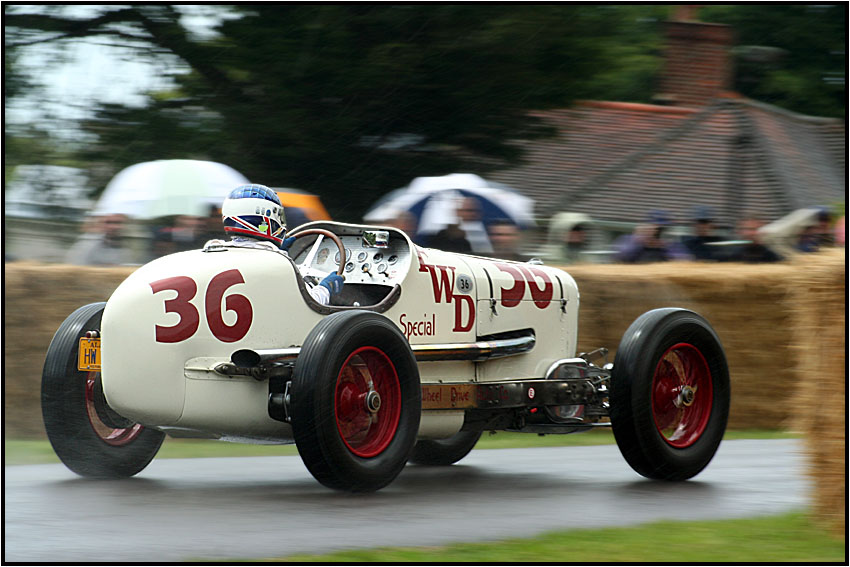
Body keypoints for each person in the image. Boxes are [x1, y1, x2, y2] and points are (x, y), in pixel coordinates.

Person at [216, 184, 343, 305]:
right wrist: (326, 287)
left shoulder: (216, 250)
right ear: (265, 218)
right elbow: (311, 304)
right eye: (278, 215)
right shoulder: (276, 263)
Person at [614, 210, 691, 263]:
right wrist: (638, 241)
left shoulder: (672, 245)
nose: (657, 233)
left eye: (662, 229)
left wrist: (665, 247)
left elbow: (685, 262)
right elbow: (620, 258)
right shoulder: (630, 240)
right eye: (656, 229)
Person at [65, 213, 138, 266]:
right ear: (100, 224)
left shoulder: (126, 247)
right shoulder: (86, 245)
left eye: (118, 223)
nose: (114, 227)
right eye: (108, 222)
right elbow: (76, 269)